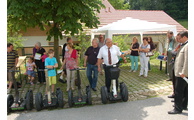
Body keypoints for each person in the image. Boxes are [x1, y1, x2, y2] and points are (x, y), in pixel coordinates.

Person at [168, 31, 188, 114]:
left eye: (180, 38)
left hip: (182, 73)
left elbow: (187, 60)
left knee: (179, 91)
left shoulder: (187, 46)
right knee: (185, 90)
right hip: (182, 72)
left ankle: (178, 108)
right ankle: (183, 105)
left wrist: (184, 72)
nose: (178, 40)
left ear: (184, 37)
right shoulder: (184, 45)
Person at [168, 33, 181, 99]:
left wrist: (174, 51)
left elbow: (175, 52)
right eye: (177, 38)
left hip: (179, 66)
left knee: (178, 83)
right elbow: (173, 52)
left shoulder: (184, 45)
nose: (177, 39)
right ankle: (174, 94)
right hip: (174, 63)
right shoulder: (178, 44)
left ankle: (179, 97)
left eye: (178, 38)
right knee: (174, 81)